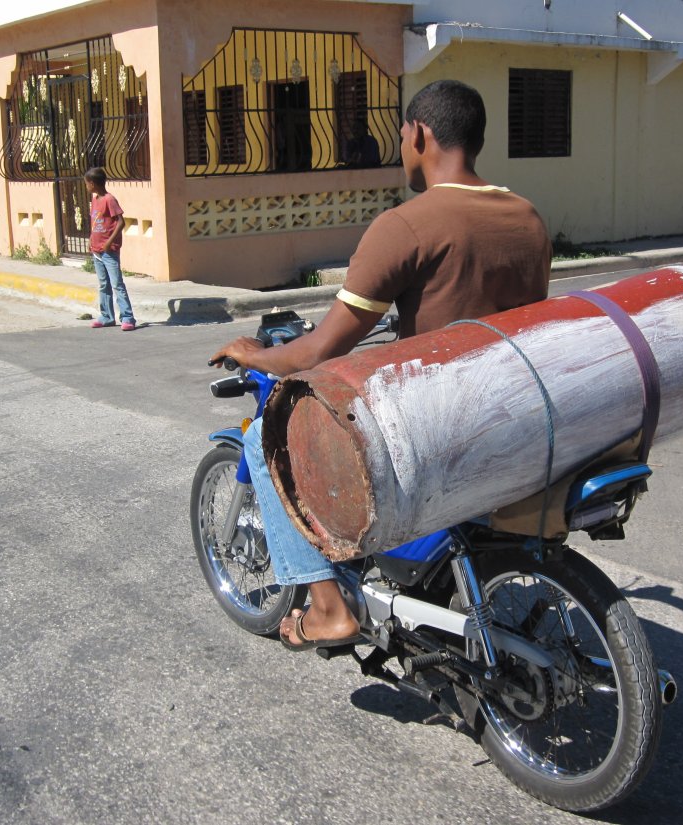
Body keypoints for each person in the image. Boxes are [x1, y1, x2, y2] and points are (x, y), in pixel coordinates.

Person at [209, 80, 552, 650]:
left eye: (401, 136)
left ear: (419, 134)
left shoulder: (408, 224)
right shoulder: (527, 220)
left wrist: (254, 354)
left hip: (434, 431)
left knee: (262, 445)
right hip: (506, 418)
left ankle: (325, 608)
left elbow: (320, 350)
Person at [86, 167, 136, 331]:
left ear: (92, 183)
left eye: (87, 183)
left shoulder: (109, 199)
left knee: (117, 284)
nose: (86, 186)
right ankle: (107, 316)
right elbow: (95, 223)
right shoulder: (95, 200)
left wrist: (109, 242)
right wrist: (91, 239)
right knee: (103, 284)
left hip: (109, 251)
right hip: (97, 250)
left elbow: (121, 222)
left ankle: (127, 317)